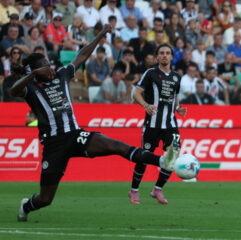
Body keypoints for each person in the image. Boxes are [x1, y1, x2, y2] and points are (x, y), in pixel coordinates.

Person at [12, 24, 179, 222]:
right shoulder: (30, 87)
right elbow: (14, 91)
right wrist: (30, 75)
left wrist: (100, 35)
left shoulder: (62, 75)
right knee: (45, 199)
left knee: (116, 145)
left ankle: (160, 161)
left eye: (49, 63)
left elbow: (81, 55)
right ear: (36, 71)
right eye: (46, 65)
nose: (51, 67)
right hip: (53, 145)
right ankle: (26, 206)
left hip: (75, 135)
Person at [130, 43, 187, 205]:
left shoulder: (176, 76)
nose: (164, 55)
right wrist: (146, 106)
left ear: (171, 56)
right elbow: (136, 93)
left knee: (173, 155)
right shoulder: (151, 73)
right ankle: (134, 190)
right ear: (157, 56)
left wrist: (177, 108)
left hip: (170, 123)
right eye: (161, 53)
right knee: (143, 157)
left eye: (167, 53)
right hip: (153, 123)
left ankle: (158, 189)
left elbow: (173, 96)